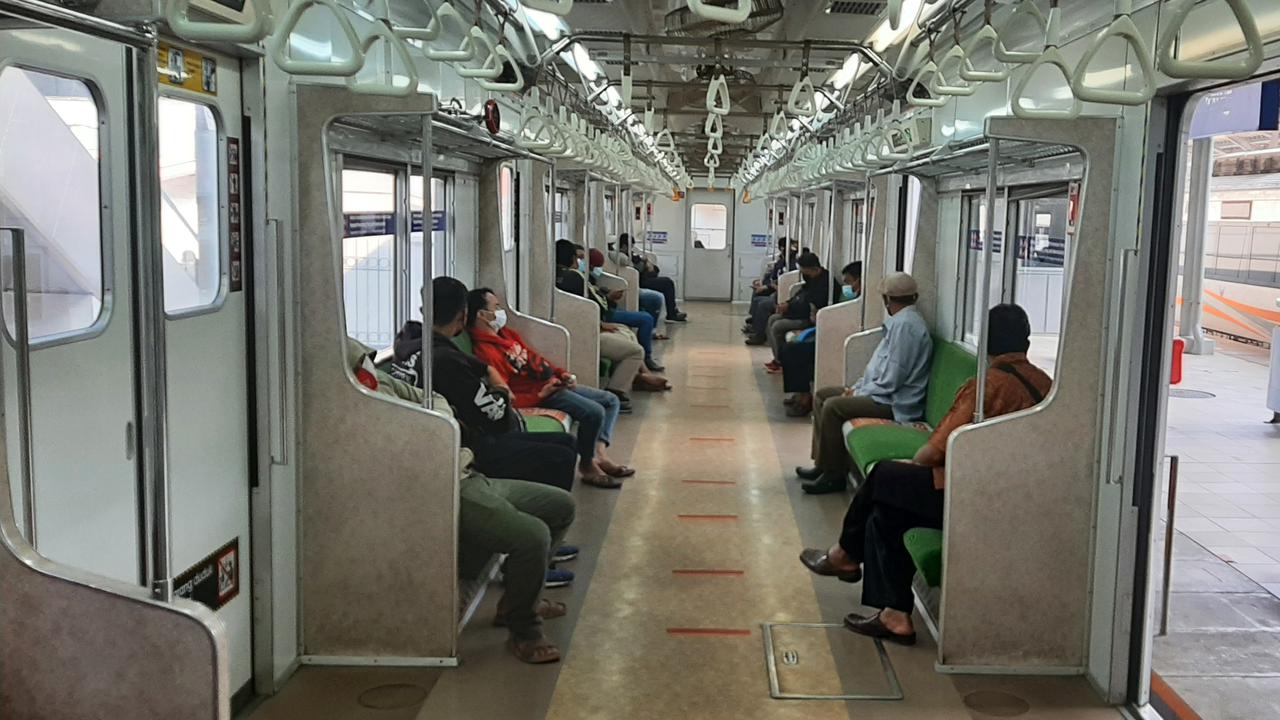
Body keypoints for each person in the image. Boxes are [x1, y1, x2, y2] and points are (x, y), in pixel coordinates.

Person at [799, 304, 1051, 646]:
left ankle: (845, 555)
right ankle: (895, 617)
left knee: (886, 478)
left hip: (967, 494)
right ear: (1027, 341)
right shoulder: (1045, 386)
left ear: (988, 343)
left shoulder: (987, 387)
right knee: (887, 510)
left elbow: (932, 452)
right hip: (1014, 494)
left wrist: (915, 462)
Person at [347, 338, 576, 663]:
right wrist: (434, 421)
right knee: (532, 535)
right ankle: (524, 629)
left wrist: (434, 421)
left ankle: (516, 598)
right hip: (446, 484)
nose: (366, 363)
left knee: (561, 506)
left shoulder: (380, 379)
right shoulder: (357, 401)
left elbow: (438, 404)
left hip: (467, 469)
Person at [392, 277, 581, 496]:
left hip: (442, 434)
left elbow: (468, 363)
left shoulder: (410, 342)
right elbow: (496, 416)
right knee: (562, 455)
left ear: (424, 310)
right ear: (463, 316)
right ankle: (549, 507)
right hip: (467, 447)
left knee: (567, 442)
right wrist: (501, 391)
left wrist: (490, 372)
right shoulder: (445, 361)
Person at [467, 287, 635, 489]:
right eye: (496, 307)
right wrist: (540, 394)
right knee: (594, 412)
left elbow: (535, 359)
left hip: (549, 384)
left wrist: (561, 373)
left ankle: (599, 454)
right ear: (483, 315)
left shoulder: (506, 334)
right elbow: (507, 395)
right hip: (541, 394)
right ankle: (588, 465)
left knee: (611, 401)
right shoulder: (486, 352)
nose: (501, 312)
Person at [797, 272, 933, 494]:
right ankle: (822, 464)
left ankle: (834, 475)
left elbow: (892, 379)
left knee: (833, 406)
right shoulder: (900, 322)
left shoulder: (906, 327)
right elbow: (880, 369)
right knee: (823, 394)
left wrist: (859, 392)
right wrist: (857, 388)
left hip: (895, 402)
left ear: (887, 300)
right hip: (879, 391)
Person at [554, 239, 670, 397]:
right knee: (636, 344)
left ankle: (641, 375)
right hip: (590, 330)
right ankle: (617, 391)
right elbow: (589, 306)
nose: (580, 261)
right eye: (578, 257)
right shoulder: (574, 278)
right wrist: (601, 323)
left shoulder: (568, 277)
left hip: (593, 322)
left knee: (627, 334)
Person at [781, 262, 863, 417]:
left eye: (849, 282)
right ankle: (800, 392)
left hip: (841, 341)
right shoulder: (853, 299)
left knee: (794, 352)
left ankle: (805, 398)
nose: (848, 287)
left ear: (859, 280)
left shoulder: (864, 304)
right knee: (789, 349)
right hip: (832, 335)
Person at [586, 247, 664, 372]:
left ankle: (645, 357)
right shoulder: (578, 279)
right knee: (646, 318)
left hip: (605, 311)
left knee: (646, 313)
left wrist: (609, 296)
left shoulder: (590, 278)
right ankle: (647, 358)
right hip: (603, 315)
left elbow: (597, 296)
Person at [762, 252, 833, 372]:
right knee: (773, 318)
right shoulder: (811, 279)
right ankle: (779, 359)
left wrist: (789, 309)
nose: (803, 274)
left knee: (778, 326)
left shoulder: (826, 284)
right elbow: (800, 296)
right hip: (800, 312)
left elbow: (810, 305)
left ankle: (784, 361)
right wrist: (788, 304)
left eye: (804, 270)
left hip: (812, 318)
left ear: (814, 269)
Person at [619, 233, 687, 322]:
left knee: (665, 281)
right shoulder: (625, 257)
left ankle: (673, 311)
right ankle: (672, 314)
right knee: (667, 283)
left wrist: (649, 265)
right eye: (630, 246)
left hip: (643, 277)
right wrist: (648, 265)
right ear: (624, 246)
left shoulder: (631, 255)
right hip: (640, 280)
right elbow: (640, 269)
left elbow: (652, 269)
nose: (631, 248)